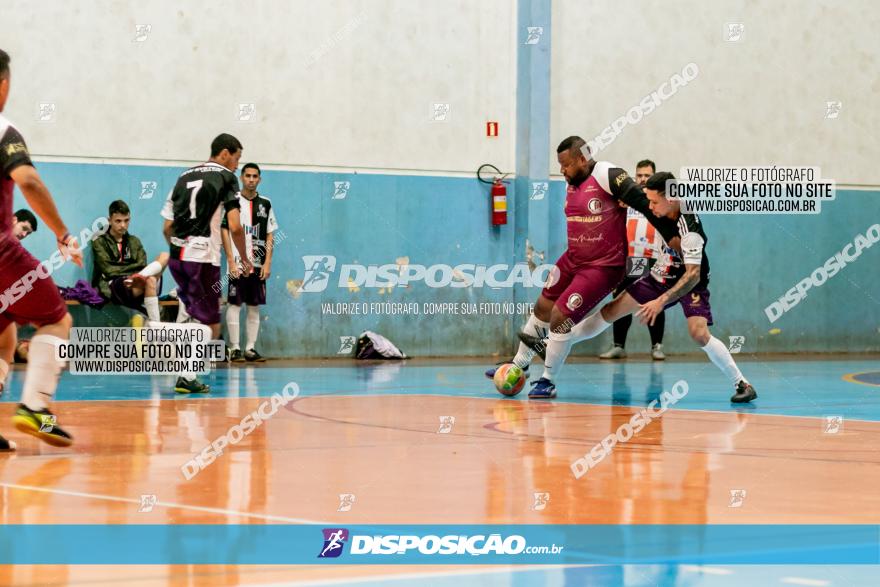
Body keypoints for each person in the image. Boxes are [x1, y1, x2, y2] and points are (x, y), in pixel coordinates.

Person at [488, 136, 680, 399]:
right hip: (573, 258)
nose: (562, 171)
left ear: (582, 159)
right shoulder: (573, 182)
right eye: (560, 166)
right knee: (542, 308)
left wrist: (672, 237)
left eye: (566, 165)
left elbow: (646, 206)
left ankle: (548, 380)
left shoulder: (608, 175)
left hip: (604, 266)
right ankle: (519, 364)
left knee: (560, 316)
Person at [567, 172, 757, 403]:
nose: (650, 206)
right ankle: (559, 342)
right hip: (662, 273)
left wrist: (661, 301)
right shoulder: (657, 206)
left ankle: (742, 384)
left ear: (673, 199)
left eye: (655, 202)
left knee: (699, 333)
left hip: (690, 281)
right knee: (611, 311)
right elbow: (635, 198)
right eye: (649, 201)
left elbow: (693, 275)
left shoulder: (691, 231)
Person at [0, 48, 82, 448]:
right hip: (1, 255)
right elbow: (28, 182)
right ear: (4, 85)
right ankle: (35, 407)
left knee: (4, 337)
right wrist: (62, 232)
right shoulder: (3, 130)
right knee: (58, 319)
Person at [161, 133, 251, 394]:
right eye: (237, 159)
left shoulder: (183, 176)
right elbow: (234, 226)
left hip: (178, 258)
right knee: (211, 323)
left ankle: (183, 370)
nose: (237, 165)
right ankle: (185, 373)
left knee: (191, 314)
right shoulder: (225, 177)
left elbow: (167, 226)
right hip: (203, 259)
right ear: (224, 153)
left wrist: (180, 248)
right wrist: (244, 259)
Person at [599, 159, 666, 360]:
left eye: (647, 175)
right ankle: (619, 345)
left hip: (653, 259)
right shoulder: (626, 199)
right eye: (640, 175)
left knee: (654, 302)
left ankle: (657, 346)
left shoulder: (659, 201)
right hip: (630, 259)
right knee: (621, 299)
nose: (643, 179)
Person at [221, 163, 277, 362]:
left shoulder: (266, 203)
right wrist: (231, 261)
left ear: (259, 179)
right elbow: (225, 230)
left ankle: (250, 349)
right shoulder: (232, 201)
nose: (251, 179)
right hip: (237, 263)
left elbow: (270, 235)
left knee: (254, 306)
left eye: (255, 176)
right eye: (248, 176)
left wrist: (268, 262)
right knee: (234, 304)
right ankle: (234, 348)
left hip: (258, 265)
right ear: (242, 178)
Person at [92, 199, 168, 322]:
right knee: (151, 280)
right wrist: (132, 270)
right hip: (112, 284)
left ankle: (155, 328)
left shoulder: (134, 241)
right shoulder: (99, 241)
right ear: (109, 220)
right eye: (118, 221)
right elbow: (109, 270)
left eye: (126, 220)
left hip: (136, 281)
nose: (123, 225)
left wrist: (136, 273)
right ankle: (156, 325)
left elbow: (142, 264)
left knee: (164, 257)